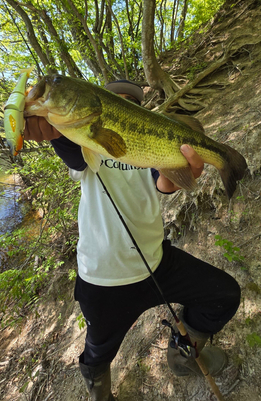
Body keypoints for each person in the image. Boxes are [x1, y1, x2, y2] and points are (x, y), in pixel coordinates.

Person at [24, 80, 240, 401]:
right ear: (102, 105)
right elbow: (70, 149)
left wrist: (184, 171)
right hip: (102, 278)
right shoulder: (82, 143)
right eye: (116, 100)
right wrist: (48, 123)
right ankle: (101, 395)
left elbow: (164, 182)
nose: (125, 105)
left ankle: (182, 357)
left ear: (140, 110)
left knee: (224, 294)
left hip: (156, 262)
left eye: (132, 103)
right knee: (99, 351)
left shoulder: (148, 149)